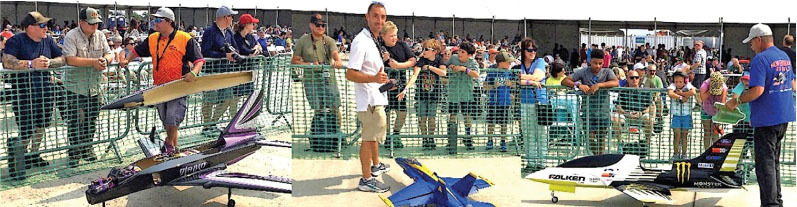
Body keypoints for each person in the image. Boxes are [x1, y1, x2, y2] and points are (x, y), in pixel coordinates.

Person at [726, 23, 795, 207]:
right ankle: (777, 201)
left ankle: (770, 204)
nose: (751, 46)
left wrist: (736, 100)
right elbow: (793, 85)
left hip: (766, 118)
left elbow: (757, 90)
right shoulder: (784, 56)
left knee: (765, 166)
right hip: (784, 115)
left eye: (751, 42)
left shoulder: (760, 59)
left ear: (759, 39)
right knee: (774, 163)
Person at [118, 7, 205, 154]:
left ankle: (168, 144)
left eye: (158, 20)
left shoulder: (184, 38)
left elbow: (199, 60)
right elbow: (137, 51)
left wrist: (194, 73)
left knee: (172, 117)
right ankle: (174, 149)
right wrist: (126, 60)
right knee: (166, 120)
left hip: (178, 85)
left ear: (169, 22)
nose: (155, 23)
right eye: (154, 20)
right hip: (159, 85)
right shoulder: (152, 38)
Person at [3, 11, 67, 181]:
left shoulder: (47, 40)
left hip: (45, 91)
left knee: (42, 125)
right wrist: (31, 64)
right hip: (23, 93)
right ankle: (21, 157)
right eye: (42, 25)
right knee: (26, 128)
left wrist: (50, 62)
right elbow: (7, 61)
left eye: (46, 25)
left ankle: (34, 153)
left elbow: (62, 58)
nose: (46, 28)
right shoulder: (16, 40)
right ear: (30, 28)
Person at [345, 2, 391, 193]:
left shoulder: (372, 39)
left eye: (382, 17)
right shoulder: (361, 41)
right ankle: (365, 179)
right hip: (369, 100)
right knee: (368, 137)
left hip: (376, 96)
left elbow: (372, 71)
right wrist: (374, 78)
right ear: (367, 17)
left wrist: (381, 79)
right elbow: (350, 73)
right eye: (375, 16)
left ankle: (373, 167)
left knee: (372, 137)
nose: (379, 20)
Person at [60, 7, 114, 167]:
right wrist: (93, 62)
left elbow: (109, 53)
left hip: (94, 87)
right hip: (75, 87)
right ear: (81, 22)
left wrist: (106, 60)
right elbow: (70, 59)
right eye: (91, 24)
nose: (94, 26)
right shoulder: (71, 36)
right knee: (76, 121)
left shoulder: (101, 36)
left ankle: (87, 149)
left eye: (96, 23)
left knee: (91, 120)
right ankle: (74, 153)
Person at [292, 13, 344, 151]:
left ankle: (337, 133)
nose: (321, 27)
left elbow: (335, 55)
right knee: (318, 108)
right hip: (311, 81)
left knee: (334, 107)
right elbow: (295, 60)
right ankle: (321, 135)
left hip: (329, 80)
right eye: (318, 25)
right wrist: (309, 64)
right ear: (311, 25)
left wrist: (338, 61)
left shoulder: (329, 41)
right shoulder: (302, 41)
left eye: (323, 25)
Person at [561, 49, 619, 155]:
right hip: (588, 112)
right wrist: (578, 85)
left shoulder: (607, 72)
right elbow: (564, 80)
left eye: (600, 63)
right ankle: (596, 156)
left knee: (601, 138)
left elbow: (615, 82)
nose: (597, 66)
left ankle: (599, 158)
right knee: (590, 138)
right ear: (590, 61)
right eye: (595, 63)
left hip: (603, 112)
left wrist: (599, 85)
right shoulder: (583, 72)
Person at [199, 6, 239, 137]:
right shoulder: (210, 31)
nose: (233, 19)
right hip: (210, 71)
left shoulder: (229, 32)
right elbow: (205, 51)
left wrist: (233, 55)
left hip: (224, 72)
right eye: (231, 16)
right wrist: (223, 55)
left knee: (228, 98)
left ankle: (212, 124)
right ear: (225, 18)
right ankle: (206, 126)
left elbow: (236, 48)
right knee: (209, 100)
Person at [402, 39, 446, 150]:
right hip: (421, 95)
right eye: (423, 49)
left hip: (434, 95)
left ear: (434, 51)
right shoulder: (421, 60)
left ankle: (431, 138)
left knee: (432, 118)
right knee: (422, 118)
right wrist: (406, 88)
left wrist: (430, 68)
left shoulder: (439, 60)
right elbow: (415, 75)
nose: (424, 51)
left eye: (427, 49)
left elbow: (443, 72)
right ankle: (424, 138)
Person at [379, 21, 417, 149]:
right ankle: (388, 136)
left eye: (395, 35)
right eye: (391, 36)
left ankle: (396, 134)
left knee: (402, 112)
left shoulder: (402, 45)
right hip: (383, 86)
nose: (394, 38)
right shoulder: (378, 47)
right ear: (383, 36)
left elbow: (412, 61)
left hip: (400, 85)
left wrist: (399, 66)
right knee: (386, 112)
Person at [512, 38, 546, 167]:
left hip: (541, 102)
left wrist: (522, 78)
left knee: (541, 133)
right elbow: (514, 80)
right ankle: (531, 163)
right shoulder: (518, 65)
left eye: (534, 50)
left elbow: (539, 77)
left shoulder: (540, 61)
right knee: (528, 134)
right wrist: (530, 82)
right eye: (529, 50)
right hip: (525, 102)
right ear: (523, 51)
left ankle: (542, 163)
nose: (533, 52)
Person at [446, 42, 480, 154]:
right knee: (452, 116)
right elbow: (445, 66)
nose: (460, 53)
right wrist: (450, 66)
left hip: (466, 94)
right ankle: (451, 139)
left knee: (467, 117)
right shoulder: (453, 58)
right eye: (459, 51)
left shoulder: (473, 62)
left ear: (469, 54)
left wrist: (464, 69)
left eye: (463, 52)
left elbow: (476, 74)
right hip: (454, 93)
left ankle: (468, 137)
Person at [484, 52, 516, 152]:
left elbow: (515, 84)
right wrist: (493, 86)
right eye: (508, 62)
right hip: (493, 101)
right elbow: (485, 86)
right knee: (491, 123)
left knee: (504, 123)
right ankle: (490, 140)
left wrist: (511, 84)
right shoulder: (492, 72)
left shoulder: (509, 73)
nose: (510, 64)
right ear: (501, 62)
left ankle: (503, 141)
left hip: (505, 101)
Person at [231, 14, 261, 111]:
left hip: (249, 71)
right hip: (238, 72)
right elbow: (247, 52)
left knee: (250, 96)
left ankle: (247, 121)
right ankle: (233, 122)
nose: (254, 26)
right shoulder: (236, 38)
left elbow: (259, 46)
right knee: (236, 98)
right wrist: (254, 50)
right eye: (252, 24)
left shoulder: (250, 36)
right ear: (246, 25)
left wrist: (256, 48)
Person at [667, 71, 695, 160]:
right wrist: (680, 97)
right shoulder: (672, 86)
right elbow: (670, 93)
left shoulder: (688, 85)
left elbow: (693, 92)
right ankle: (675, 153)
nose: (678, 84)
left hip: (687, 114)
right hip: (676, 114)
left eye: (680, 82)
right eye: (676, 82)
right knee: (676, 134)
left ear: (685, 81)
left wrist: (682, 93)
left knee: (685, 135)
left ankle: (684, 154)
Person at [699, 72, 727, 150]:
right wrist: (710, 91)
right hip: (706, 109)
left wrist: (721, 116)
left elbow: (723, 102)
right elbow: (702, 98)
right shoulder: (705, 85)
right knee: (707, 132)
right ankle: (706, 152)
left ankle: (715, 152)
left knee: (716, 132)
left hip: (717, 111)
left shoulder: (724, 87)